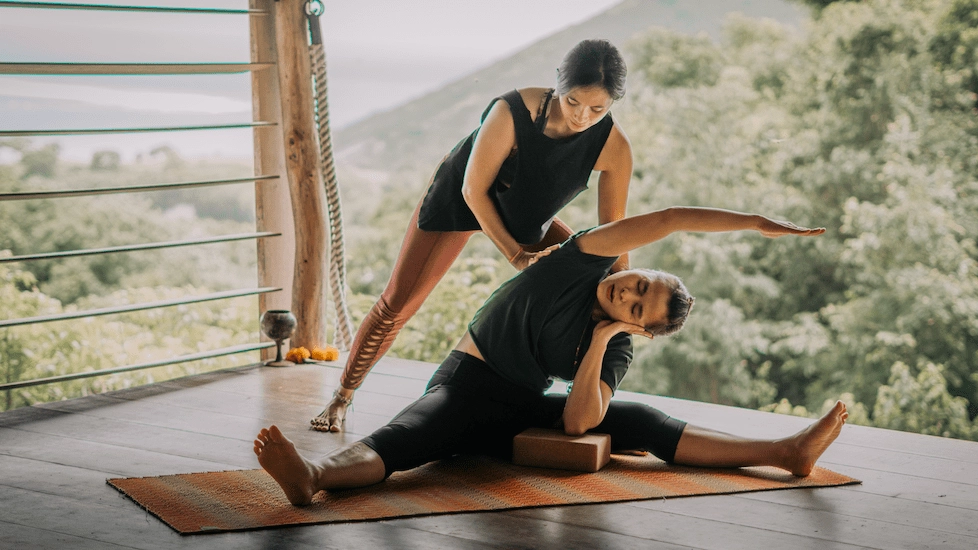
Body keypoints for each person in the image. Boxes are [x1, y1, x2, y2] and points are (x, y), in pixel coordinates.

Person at [258, 206, 848, 506]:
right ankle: (312, 477)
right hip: (467, 386)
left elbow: (577, 422)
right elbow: (668, 219)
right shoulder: (579, 259)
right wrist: (754, 224)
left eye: (639, 309)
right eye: (641, 284)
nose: (631, 295)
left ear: (636, 326)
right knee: (410, 436)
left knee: (635, 419)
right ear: (635, 268)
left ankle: (784, 452)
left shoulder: (613, 344)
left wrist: (598, 343)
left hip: (522, 409)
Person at [311, 39, 635, 432]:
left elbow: (614, 234)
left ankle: (593, 407)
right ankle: (341, 397)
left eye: (597, 109)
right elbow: (473, 191)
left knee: (598, 286)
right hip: (461, 200)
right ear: (557, 85)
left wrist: (627, 294)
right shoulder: (512, 111)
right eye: (573, 103)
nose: (582, 117)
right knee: (399, 301)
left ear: (613, 103)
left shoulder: (614, 148)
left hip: (528, 216)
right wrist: (517, 257)